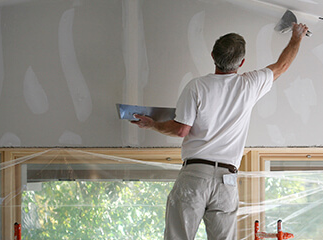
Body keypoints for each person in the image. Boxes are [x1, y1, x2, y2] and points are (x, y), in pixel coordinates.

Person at [131, 23, 309, 240]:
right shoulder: (249, 85)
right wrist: (296, 37)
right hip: (227, 180)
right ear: (241, 62)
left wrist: (152, 124)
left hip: (195, 177)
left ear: (213, 55)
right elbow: (281, 66)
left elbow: (181, 130)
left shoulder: (197, 86)